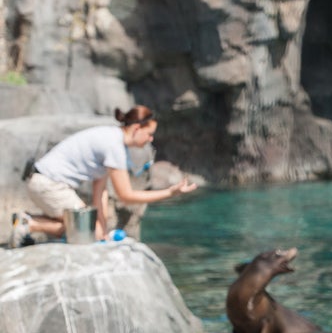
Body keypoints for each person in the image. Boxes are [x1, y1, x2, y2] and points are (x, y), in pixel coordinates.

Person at [10, 105, 197, 247]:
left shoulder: (112, 139)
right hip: (49, 184)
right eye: (149, 134)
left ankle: (25, 220)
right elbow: (126, 195)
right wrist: (170, 193)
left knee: (90, 229)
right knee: (83, 231)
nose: (151, 139)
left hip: (43, 181)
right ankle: (30, 224)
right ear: (137, 129)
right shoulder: (114, 146)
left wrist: (102, 228)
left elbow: (100, 191)